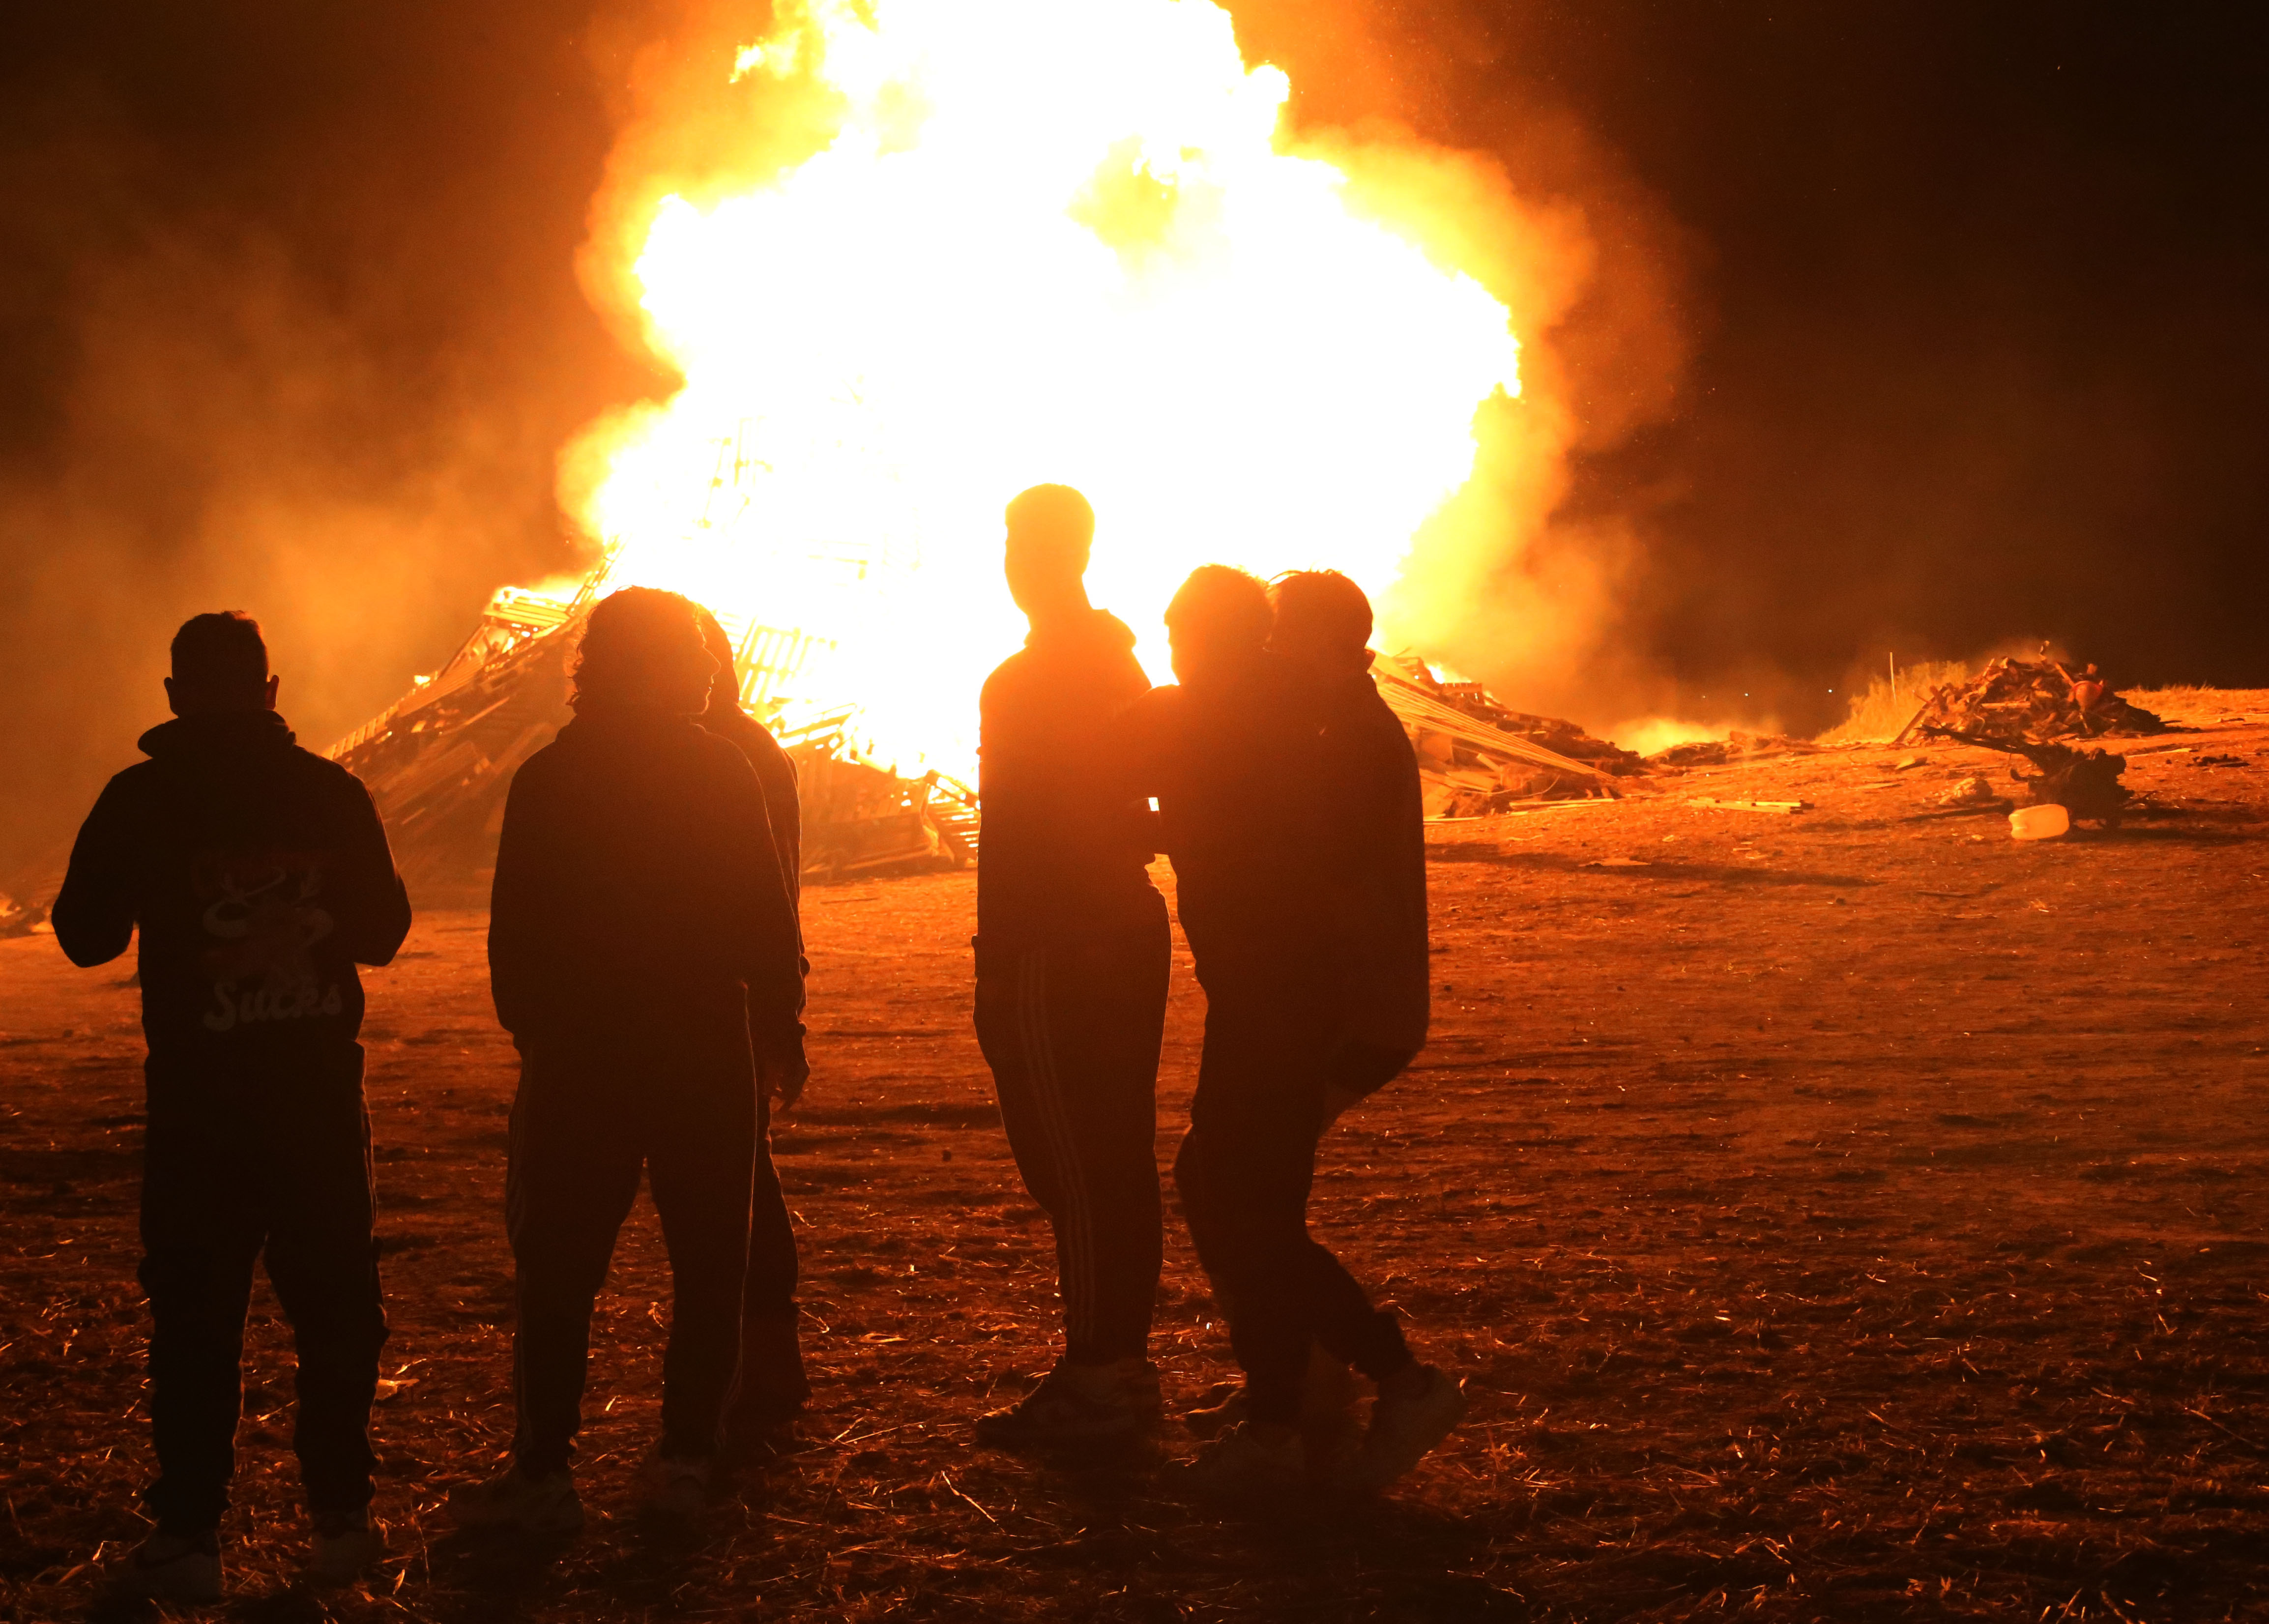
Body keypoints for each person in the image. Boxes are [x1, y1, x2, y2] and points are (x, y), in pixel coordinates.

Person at [53, 611, 410, 1600]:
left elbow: (84, 936)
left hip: (199, 1104)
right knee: (338, 1308)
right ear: (270, 689)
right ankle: (340, 1519)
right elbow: (384, 931)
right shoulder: (329, 791)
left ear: (174, 696)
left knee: (195, 1315)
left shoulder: (139, 797)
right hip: (313, 1097)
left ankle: (190, 1532)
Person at [450, 587, 806, 1533]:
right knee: (707, 1263)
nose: (702, 674)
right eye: (687, 657)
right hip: (696, 1046)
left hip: (585, 1052)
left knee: (559, 1263)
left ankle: (544, 1470)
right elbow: (766, 923)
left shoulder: (551, 779)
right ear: (656, 667)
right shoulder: (722, 771)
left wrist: (540, 1034)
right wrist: (778, 1028)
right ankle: (687, 1454)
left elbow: (513, 935)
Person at [1121, 566, 1461, 1497]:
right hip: (1286, 1001)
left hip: (1304, 1006)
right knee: (1232, 1190)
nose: (1271, 652)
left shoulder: (1335, 737)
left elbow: (1293, 864)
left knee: (1243, 1203)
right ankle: (1291, 1390)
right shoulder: (1315, 723)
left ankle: (1387, 1382)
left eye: (1282, 636)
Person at [970, 484, 1174, 1450]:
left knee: (1079, 1166)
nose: (1010, 559)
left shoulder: (1033, 678)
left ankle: (1102, 1375)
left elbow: (1032, 828)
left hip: (1057, 938)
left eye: (1017, 541)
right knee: (1110, 1160)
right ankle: (1116, 1367)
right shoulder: (1117, 661)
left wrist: (1003, 956)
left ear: (1042, 553)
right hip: (1109, 928)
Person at [691, 606, 812, 1449]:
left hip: (717, 996)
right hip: (733, 992)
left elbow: (766, 898)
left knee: (734, 1181)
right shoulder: (744, 749)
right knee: (739, 1175)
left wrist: (777, 1011)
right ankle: (762, 1353)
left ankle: (759, 1353)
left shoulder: (725, 758)